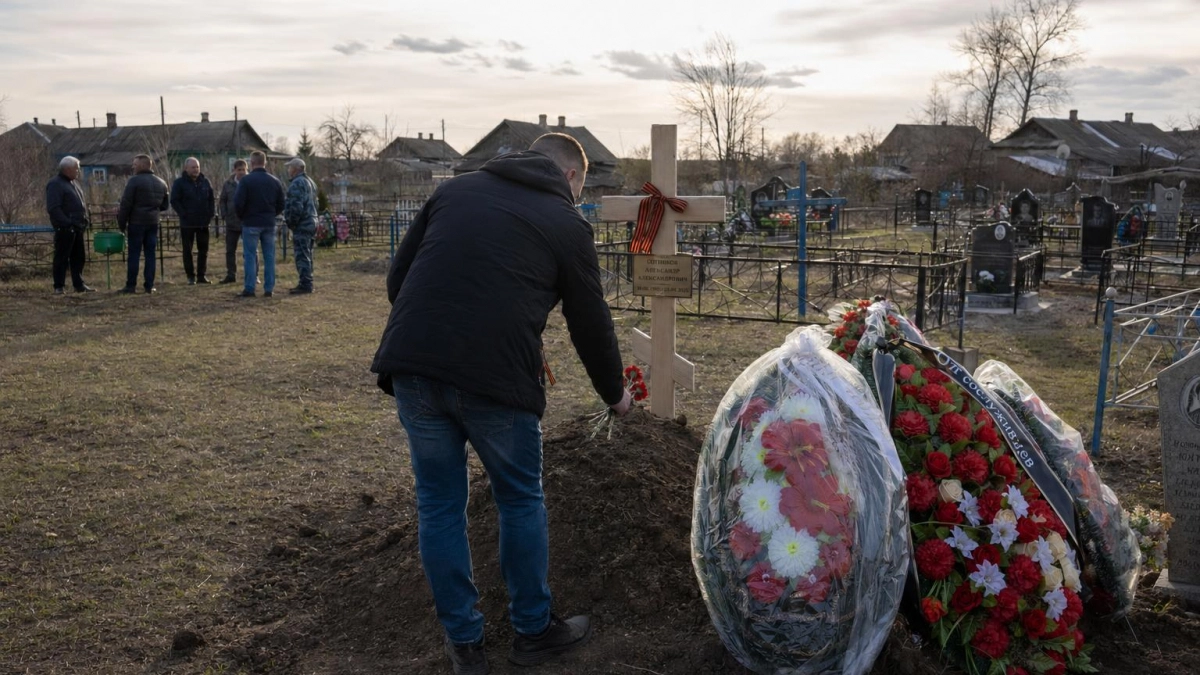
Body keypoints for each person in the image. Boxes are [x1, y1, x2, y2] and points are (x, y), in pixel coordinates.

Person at [371, 133, 631, 675]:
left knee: (439, 505)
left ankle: (464, 645)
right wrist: (616, 393)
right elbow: (590, 323)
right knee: (519, 498)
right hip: (496, 380)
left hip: (414, 367)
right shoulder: (566, 223)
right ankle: (534, 631)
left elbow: (400, 279)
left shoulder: (456, 190)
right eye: (579, 188)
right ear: (570, 178)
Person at [233, 151, 284, 298]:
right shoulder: (275, 181)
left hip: (250, 222)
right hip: (268, 222)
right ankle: (269, 288)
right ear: (265, 162)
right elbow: (281, 203)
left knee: (249, 256)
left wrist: (243, 216)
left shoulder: (246, 181)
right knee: (269, 256)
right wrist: (271, 214)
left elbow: (238, 203)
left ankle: (250, 288)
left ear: (252, 163)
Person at [117, 154, 170, 294]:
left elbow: (125, 204)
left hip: (136, 222)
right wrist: (153, 210)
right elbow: (165, 205)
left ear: (142, 165)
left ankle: (131, 285)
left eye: (135, 164)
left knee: (134, 254)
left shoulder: (134, 182)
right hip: (153, 222)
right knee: (150, 254)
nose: (133, 166)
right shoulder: (161, 182)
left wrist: (121, 223)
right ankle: (149, 285)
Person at [45, 156, 95, 294]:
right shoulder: (56, 184)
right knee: (62, 257)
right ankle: (59, 286)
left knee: (78, 257)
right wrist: (67, 223)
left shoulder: (73, 183)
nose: (78, 171)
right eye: (76, 168)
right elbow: (54, 208)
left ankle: (78, 284)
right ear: (67, 169)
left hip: (77, 226)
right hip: (66, 228)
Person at [170, 157, 216, 284]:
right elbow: (174, 200)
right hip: (187, 223)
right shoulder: (179, 183)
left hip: (203, 222)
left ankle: (202, 275)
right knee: (187, 250)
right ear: (186, 168)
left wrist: (210, 214)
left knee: (203, 250)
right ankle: (190, 276)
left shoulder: (205, 182)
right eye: (193, 167)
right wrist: (183, 213)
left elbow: (211, 199)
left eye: (197, 167)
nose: (196, 170)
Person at [283, 158, 318, 294]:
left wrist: (291, 222)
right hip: (312, 220)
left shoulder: (297, 183)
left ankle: (305, 283)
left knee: (302, 254)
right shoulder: (311, 182)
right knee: (308, 253)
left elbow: (296, 206)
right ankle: (308, 280)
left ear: (296, 169)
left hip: (303, 223)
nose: (288, 170)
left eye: (290, 168)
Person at [218, 159, 247, 284]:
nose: (241, 172)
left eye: (243, 170)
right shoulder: (228, 184)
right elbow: (222, 200)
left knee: (250, 251)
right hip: (232, 222)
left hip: (247, 221)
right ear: (234, 170)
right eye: (239, 170)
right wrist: (224, 214)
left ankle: (253, 274)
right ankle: (231, 274)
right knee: (230, 250)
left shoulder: (249, 182)